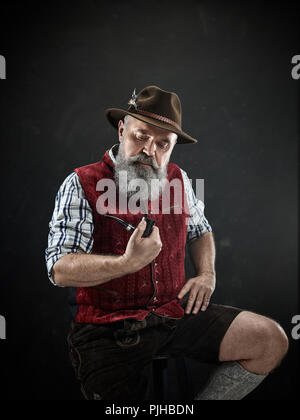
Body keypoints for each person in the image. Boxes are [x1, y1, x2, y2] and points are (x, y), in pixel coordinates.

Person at [45, 85, 289, 400]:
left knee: (270, 340)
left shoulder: (179, 179)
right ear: (122, 130)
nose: (150, 150)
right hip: (107, 330)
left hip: (172, 315)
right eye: (141, 136)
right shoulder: (81, 183)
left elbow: (201, 230)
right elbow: (59, 268)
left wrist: (206, 274)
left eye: (163, 143)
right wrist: (127, 264)